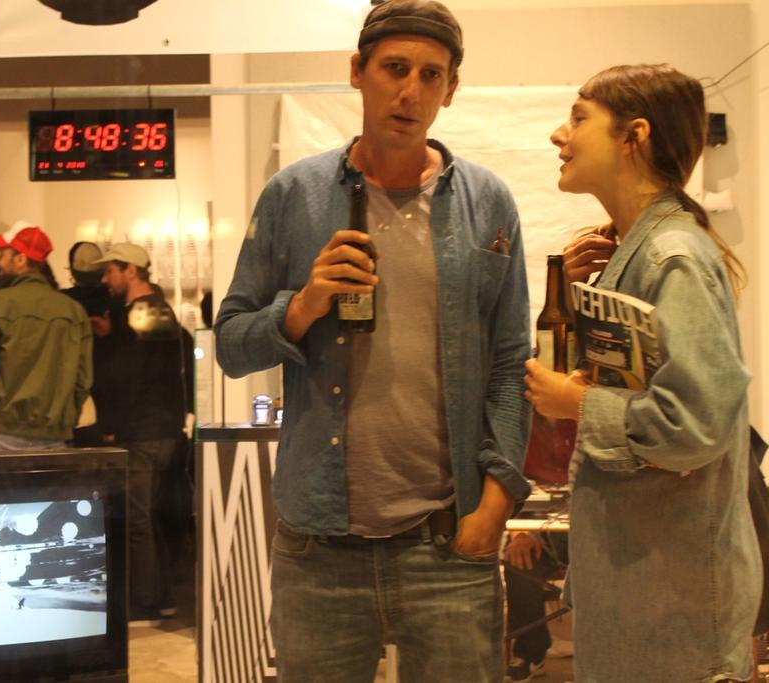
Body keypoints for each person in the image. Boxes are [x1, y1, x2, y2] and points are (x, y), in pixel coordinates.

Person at [214, 1, 532, 679]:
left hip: (449, 543)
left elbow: (510, 364)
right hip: (319, 552)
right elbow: (232, 345)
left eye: (430, 74)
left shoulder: (488, 203)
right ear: (358, 72)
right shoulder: (293, 195)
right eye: (395, 68)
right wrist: (302, 306)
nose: (410, 91)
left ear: (450, 89)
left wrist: (497, 501)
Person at [524, 63, 760, 682]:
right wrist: (571, 301)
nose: (559, 134)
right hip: (641, 596)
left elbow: (696, 423)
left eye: (578, 118)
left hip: (675, 614)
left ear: (634, 136)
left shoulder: (671, 256)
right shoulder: (633, 253)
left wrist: (578, 405)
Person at [94, 242, 194, 625]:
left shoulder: (141, 313)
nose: (105, 279)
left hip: (142, 432)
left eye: (110, 271)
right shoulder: (159, 313)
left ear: (131, 270)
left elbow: (131, 376)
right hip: (165, 430)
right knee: (152, 515)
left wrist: (110, 425)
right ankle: (162, 595)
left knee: (137, 518)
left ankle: (150, 600)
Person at [0, 220, 92, 451]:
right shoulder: (74, 312)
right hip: (54, 436)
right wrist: (64, 420)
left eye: (2, 254)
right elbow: (83, 380)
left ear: (20, 259)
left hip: (1, 432)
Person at [61, 241, 116, 447]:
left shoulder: (62, 303)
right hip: (111, 401)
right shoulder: (116, 304)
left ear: (72, 270)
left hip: (72, 400)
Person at [502, 531, 570, 682]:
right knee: (519, 557)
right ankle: (530, 653)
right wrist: (520, 533)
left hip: (601, 533)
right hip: (546, 535)